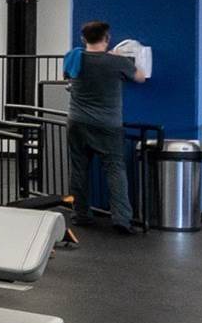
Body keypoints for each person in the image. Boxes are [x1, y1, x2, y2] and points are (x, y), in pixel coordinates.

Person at [61, 20, 147, 234]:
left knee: (79, 170)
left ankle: (80, 214)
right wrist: (122, 58)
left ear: (83, 39)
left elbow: (67, 78)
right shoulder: (116, 62)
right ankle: (121, 219)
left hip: (77, 122)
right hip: (108, 125)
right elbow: (141, 78)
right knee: (115, 169)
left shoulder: (73, 57)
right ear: (107, 38)